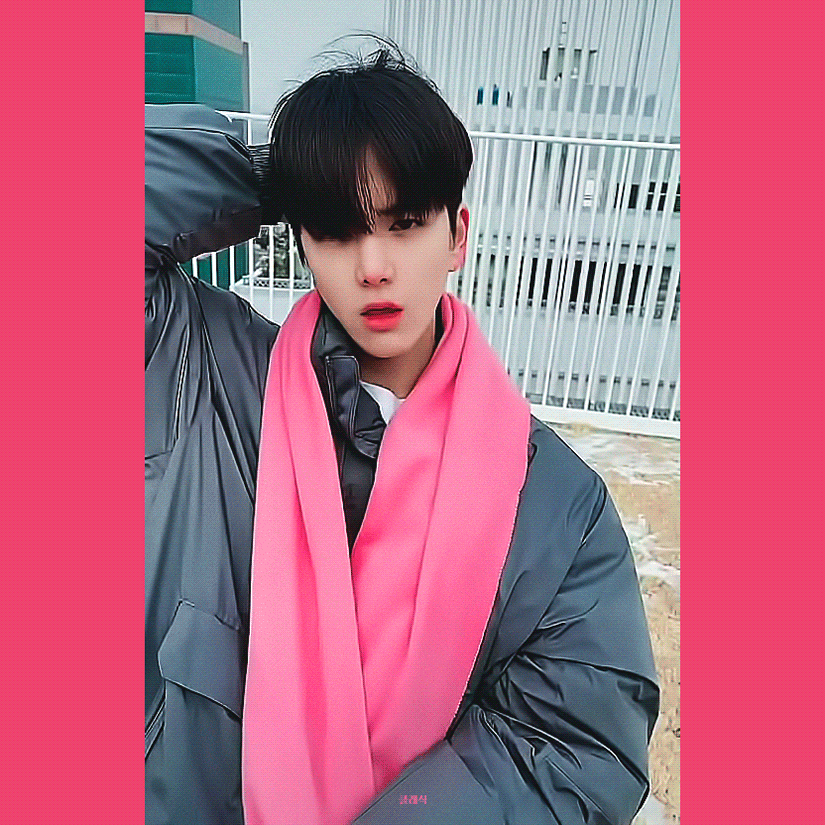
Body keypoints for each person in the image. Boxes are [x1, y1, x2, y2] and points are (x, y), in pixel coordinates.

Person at [146, 46, 658, 825]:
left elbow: (574, 747)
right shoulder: (211, 378)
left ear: (456, 237)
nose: (374, 266)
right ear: (300, 238)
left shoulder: (557, 504)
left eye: (406, 222)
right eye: (337, 230)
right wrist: (294, 171)